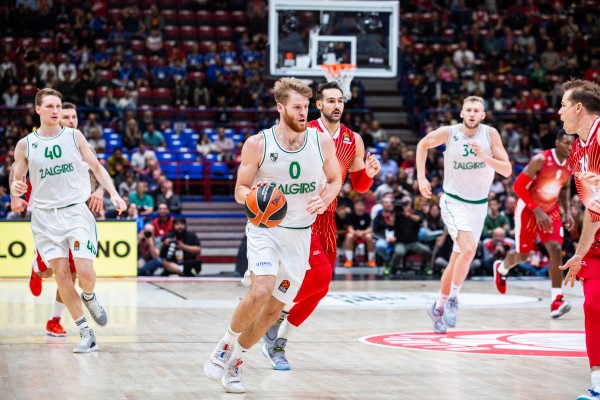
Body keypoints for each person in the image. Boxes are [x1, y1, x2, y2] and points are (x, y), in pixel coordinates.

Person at [204, 78, 342, 393]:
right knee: (261, 289)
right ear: (280, 108)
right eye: (297, 107)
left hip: (300, 235)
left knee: (273, 310)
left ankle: (237, 361)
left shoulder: (321, 142)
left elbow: (335, 180)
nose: (303, 113)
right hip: (265, 229)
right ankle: (225, 345)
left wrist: (325, 198)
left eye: (306, 107)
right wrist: (252, 195)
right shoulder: (258, 144)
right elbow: (239, 190)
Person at [261, 81, 380, 370]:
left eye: (340, 101)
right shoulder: (305, 131)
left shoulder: (354, 139)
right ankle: (271, 313)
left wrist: (369, 175)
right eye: (330, 101)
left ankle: (278, 343)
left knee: (322, 288)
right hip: (301, 213)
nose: (336, 106)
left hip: (328, 217)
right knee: (321, 275)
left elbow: (359, 186)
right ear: (319, 105)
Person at [9, 89, 126, 353]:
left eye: (58, 106)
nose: (55, 111)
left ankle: (89, 296)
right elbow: (17, 179)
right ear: (38, 109)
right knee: (61, 275)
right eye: (50, 106)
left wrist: (114, 194)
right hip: (44, 218)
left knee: (85, 273)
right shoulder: (25, 144)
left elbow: (97, 167)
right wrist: (15, 190)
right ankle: (85, 332)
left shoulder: (75, 136)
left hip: (74, 212)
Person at [416, 95, 512, 334]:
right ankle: (453, 299)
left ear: (483, 115)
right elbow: (422, 145)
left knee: (459, 259)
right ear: (461, 113)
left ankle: (438, 307)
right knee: (469, 250)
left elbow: (507, 170)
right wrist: (421, 177)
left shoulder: (490, 135)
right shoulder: (450, 133)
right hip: (453, 201)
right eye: (468, 109)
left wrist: (484, 157)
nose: (471, 114)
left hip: (478, 205)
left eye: (476, 110)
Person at [493, 130, 575, 318]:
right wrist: (537, 211)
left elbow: (565, 189)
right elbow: (518, 186)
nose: (570, 147)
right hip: (528, 210)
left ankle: (556, 300)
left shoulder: (571, 163)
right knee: (523, 255)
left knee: (556, 249)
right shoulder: (540, 160)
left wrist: (567, 211)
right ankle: (502, 268)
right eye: (566, 143)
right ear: (557, 143)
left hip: (551, 209)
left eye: (572, 144)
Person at [555, 78, 600, 400]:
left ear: (579, 108)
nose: (559, 112)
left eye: (563, 105)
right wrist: (580, 252)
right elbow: (592, 207)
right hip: (596, 241)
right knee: (593, 305)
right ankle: (598, 384)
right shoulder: (577, 150)